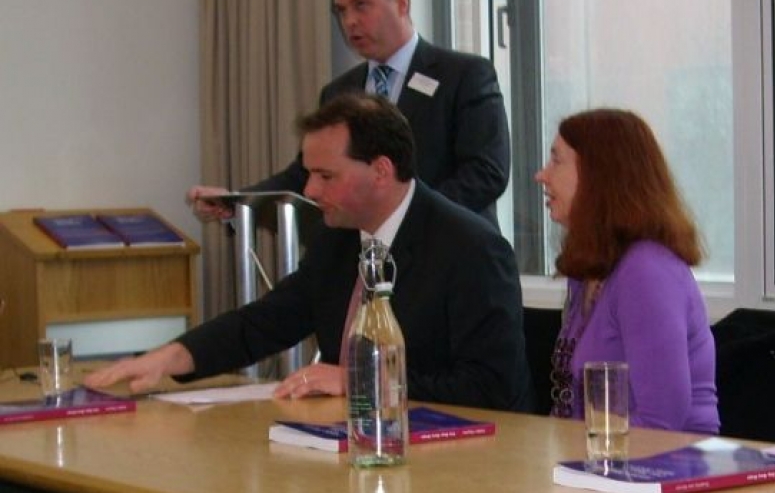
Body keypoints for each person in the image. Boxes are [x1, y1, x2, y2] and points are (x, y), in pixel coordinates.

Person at [86, 92, 534, 413]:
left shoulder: (471, 248)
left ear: (381, 171)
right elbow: (266, 321)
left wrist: (359, 381)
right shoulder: (336, 239)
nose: (309, 190)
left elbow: (491, 388)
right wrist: (169, 357)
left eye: (325, 175)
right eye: (308, 174)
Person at [188, 0, 510, 229]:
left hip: (448, 258)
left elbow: (485, 173)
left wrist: (406, 218)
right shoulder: (339, 92)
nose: (350, 21)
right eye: (341, 11)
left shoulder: (463, 75)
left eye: (361, 5)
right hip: (362, 264)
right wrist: (237, 202)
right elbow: (304, 176)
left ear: (401, 3)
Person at [534, 108, 719, 433]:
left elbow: (661, 423)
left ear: (598, 175)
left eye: (556, 161)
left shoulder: (646, 272)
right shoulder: (588, 268)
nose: (541, 175)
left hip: (664, 470)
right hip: (597, 463)